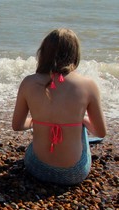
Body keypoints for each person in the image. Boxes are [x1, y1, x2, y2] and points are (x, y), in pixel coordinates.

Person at [12, 28, 106, 185]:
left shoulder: (28, 82)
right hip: (74, 173)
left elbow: (17, 125)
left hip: (36, 168)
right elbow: (100, 132)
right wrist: (82, 120)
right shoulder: (88, 85)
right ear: (75, 54)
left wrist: (37, 120)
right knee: (80, 125)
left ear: (44, 52)